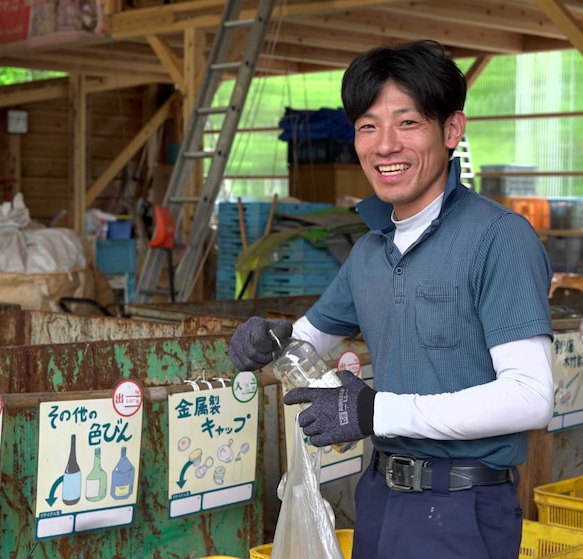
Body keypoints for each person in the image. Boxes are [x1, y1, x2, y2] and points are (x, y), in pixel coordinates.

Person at [228, 39, 554, 559]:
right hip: (379, 497)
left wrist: (375, 411)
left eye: (407, 123)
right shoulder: (369, 250)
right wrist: (267, 340)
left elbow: (531, 397)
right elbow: (306, 340)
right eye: (367, 126)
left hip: (463, 505)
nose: (384, 145)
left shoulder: (499, 238)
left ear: (452, 130)